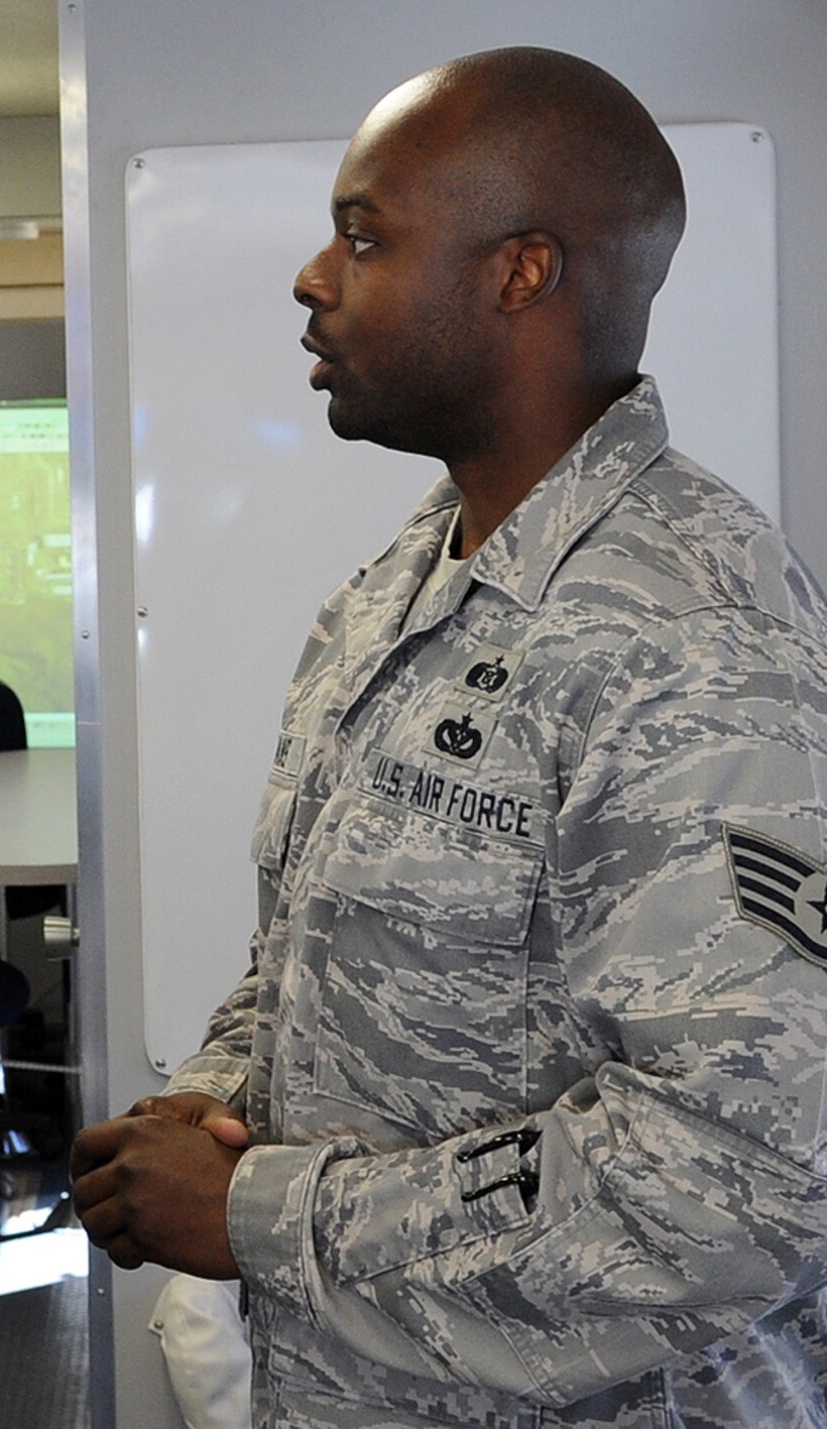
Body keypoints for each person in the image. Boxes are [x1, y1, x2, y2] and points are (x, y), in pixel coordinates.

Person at [72, 46, 827, 1427]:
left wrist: (259, 1211)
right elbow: (317, 952)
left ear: (519, 273)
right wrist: (213, 1097)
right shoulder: (399, 592)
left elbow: (740, 1183)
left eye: (363, 236)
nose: (314, 276)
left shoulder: (693, 632)